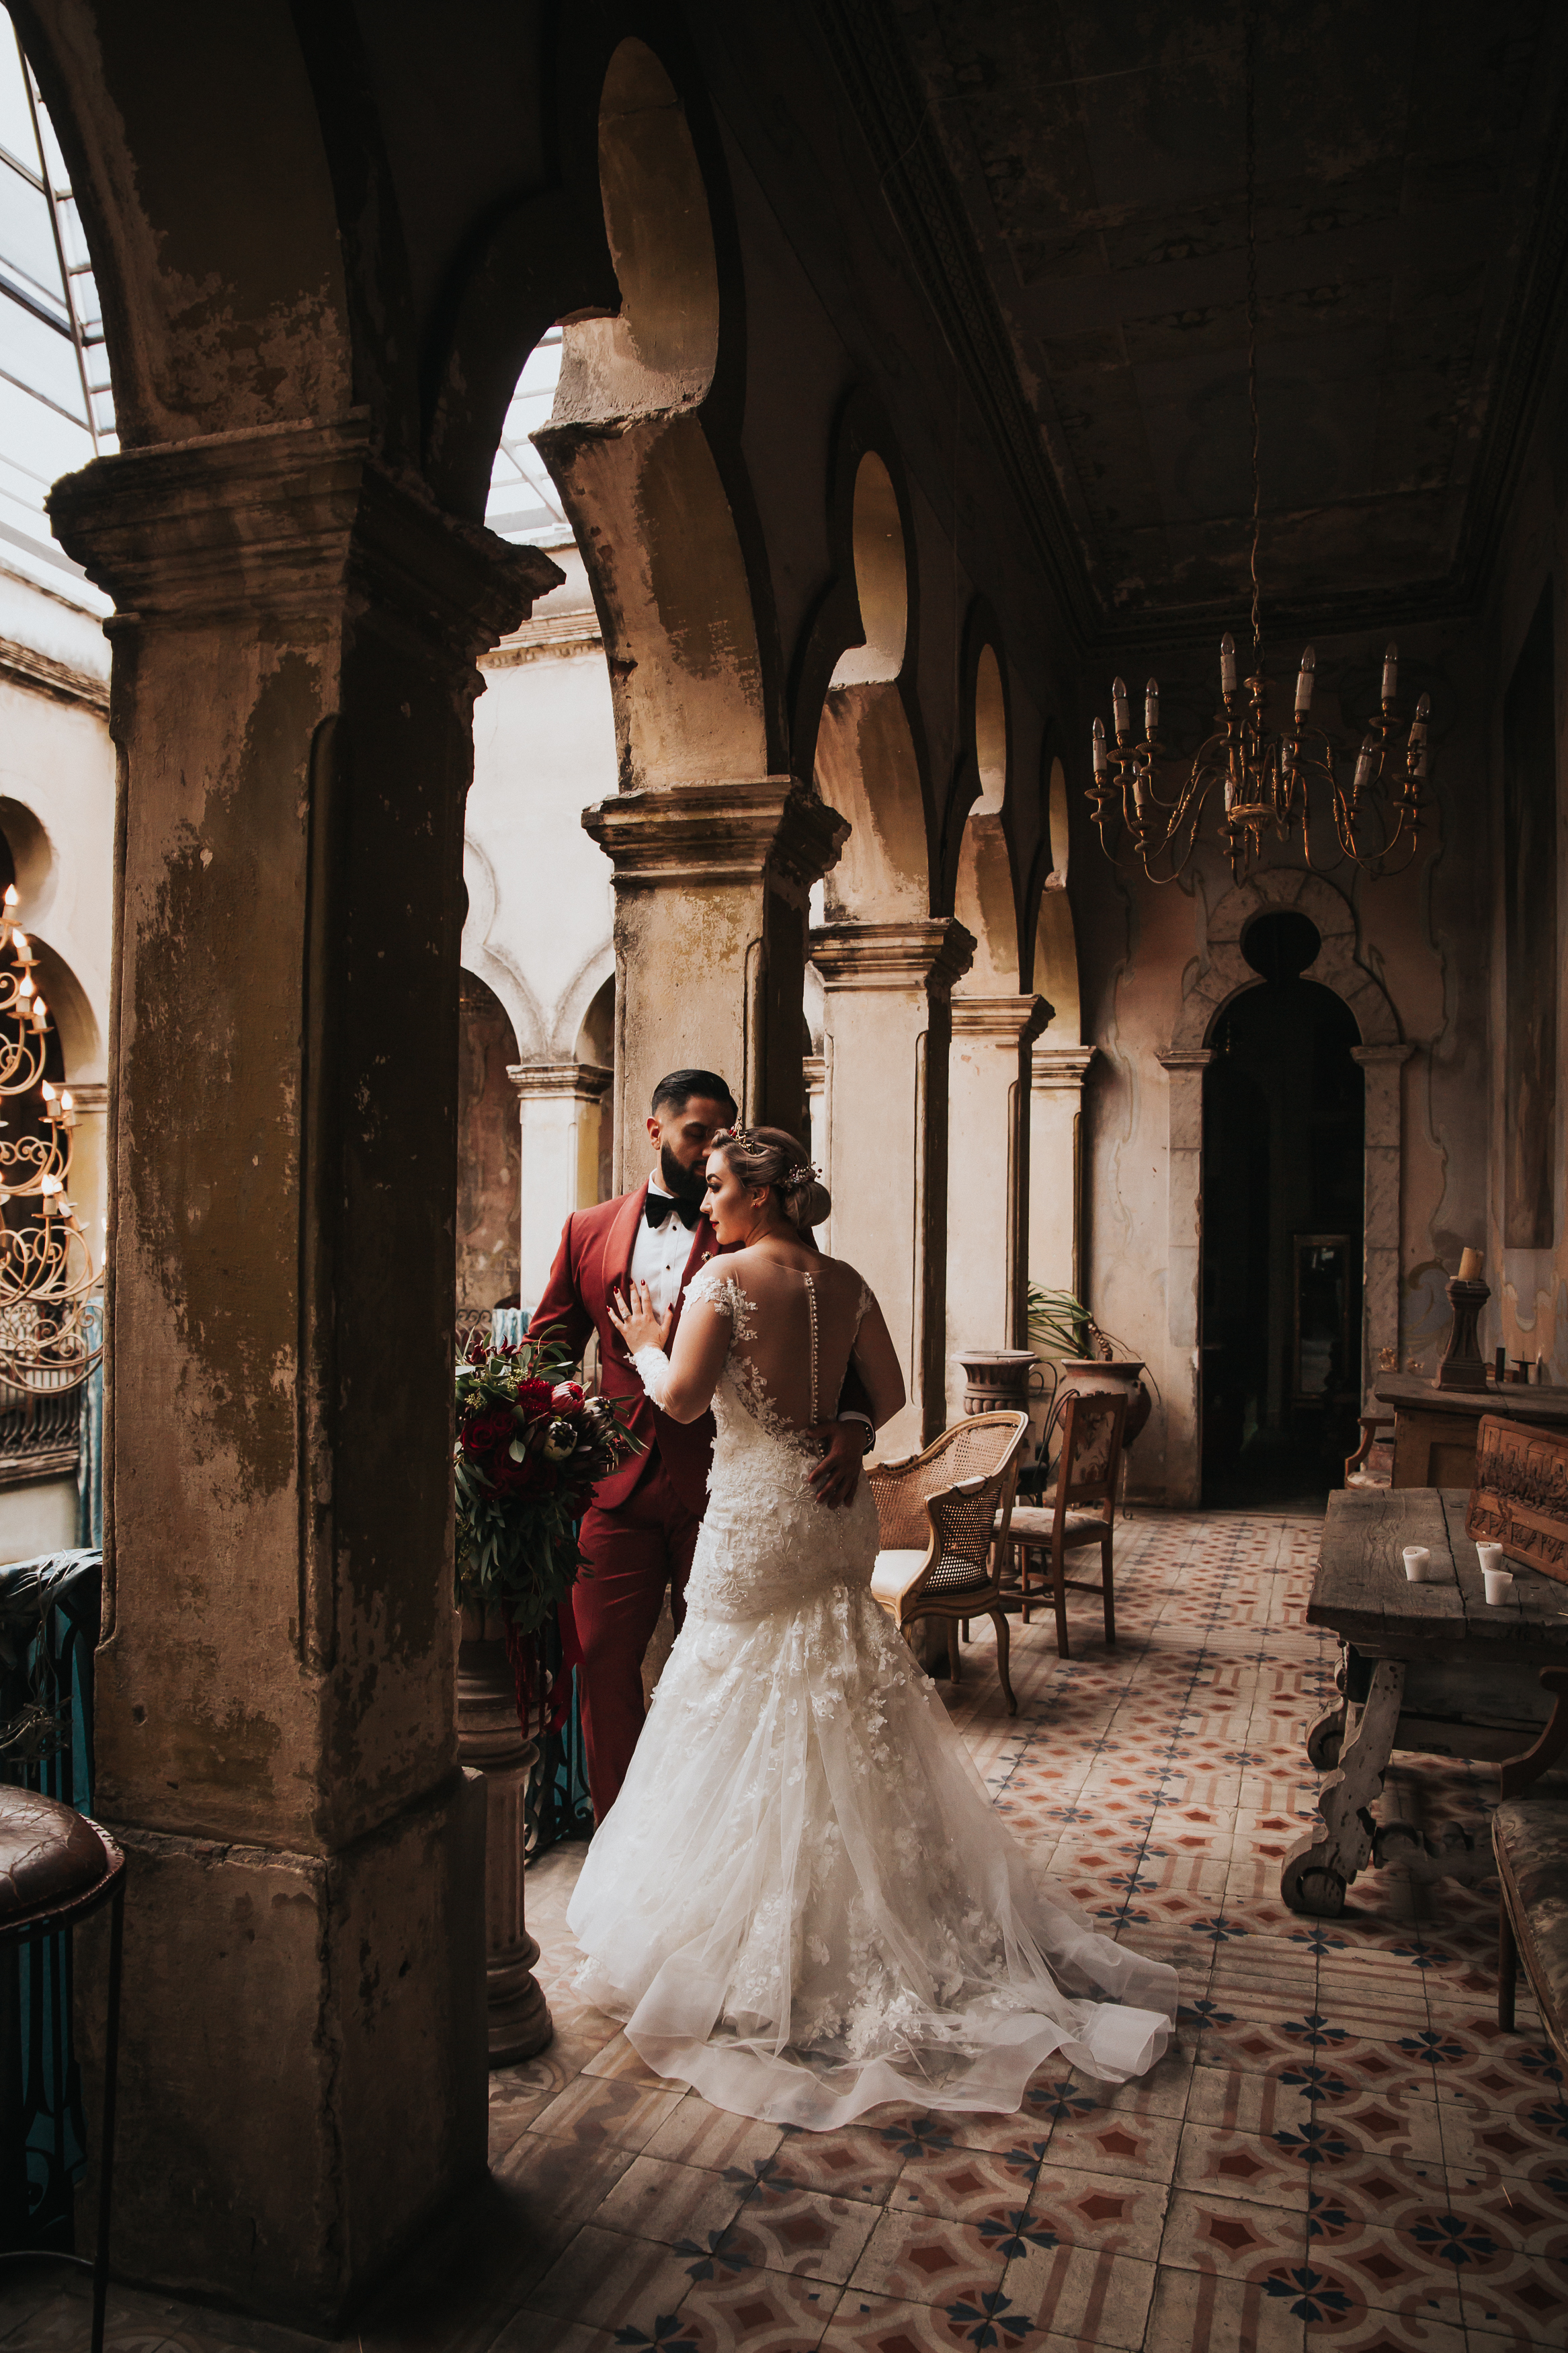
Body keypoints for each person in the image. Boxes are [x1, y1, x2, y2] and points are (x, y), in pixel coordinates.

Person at [568, 1125, 1177, 2130]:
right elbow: (889, 1397)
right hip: (832, 1511)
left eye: (717, 1186)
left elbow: (678, 1402)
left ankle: (756, 1933)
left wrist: (639, 1336)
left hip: (761, 1514)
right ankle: (875, 1905)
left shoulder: (722, 1283)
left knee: (728, 1692)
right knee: (834, 1681)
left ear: (758, 1196)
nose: (707, 1200)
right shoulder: (844, 1280)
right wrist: (848, 1431)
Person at [528, 1072, 874, 1821]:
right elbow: (548, 1345)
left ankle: (717, 1837)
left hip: (728, 1497)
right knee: (606, 1664)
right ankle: (619, 1838)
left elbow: (828, 1351)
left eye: (727, 1131)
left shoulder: (755, 1235)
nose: (714, 1145)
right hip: (612, 1489)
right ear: (655, 1131)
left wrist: (853, 1425)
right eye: (699, 1132)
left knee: (724, 1680)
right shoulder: (588, 1229)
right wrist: (559, 1427)